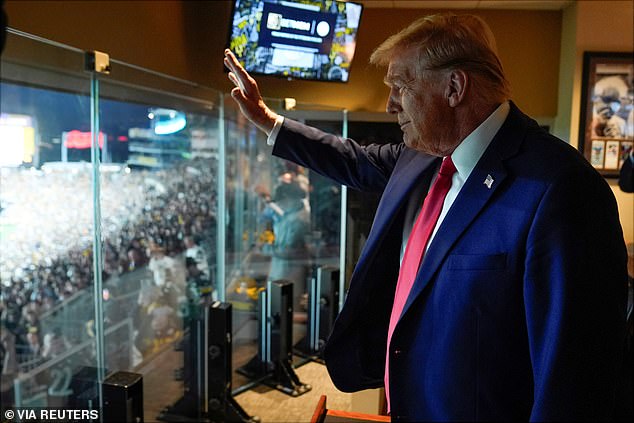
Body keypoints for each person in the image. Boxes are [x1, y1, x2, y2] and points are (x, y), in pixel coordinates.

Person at [223, 12, 628, 422]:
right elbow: (354, 160)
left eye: (401, 85)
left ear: (454, 87)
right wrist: (269, 121)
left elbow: (574, 380)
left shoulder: (562, 189)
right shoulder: (421, 155)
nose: (389, 103)